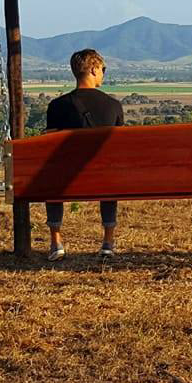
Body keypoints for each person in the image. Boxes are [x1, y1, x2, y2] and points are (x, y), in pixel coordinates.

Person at [44, 48, 125, 261]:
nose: (103, 73)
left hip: (66, 181)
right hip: (103, 180)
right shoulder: (113, 106)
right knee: (109, 175)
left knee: (52, 177)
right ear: (93, 69)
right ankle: (108, 242)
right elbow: (119, 148)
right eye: (103, 69)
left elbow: (49, 147)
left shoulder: (57, 106)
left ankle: (56, 242)